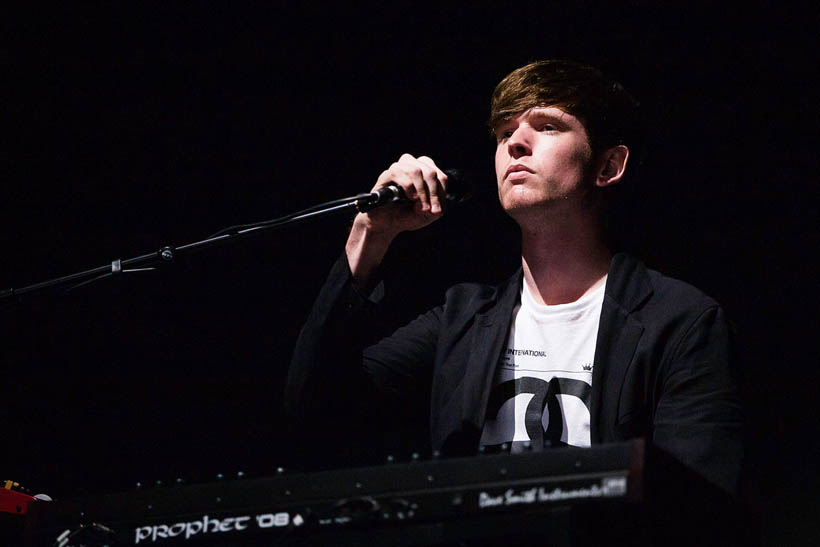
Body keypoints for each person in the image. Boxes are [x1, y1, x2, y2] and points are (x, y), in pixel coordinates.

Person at [285, 60, 743, 500]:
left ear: (609, 167)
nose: (515, 144)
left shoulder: (680, 322)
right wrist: (371, 232)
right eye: (504, 132)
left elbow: (699, 504)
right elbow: (315, 408)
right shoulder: (463, 319)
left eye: (546, 126)